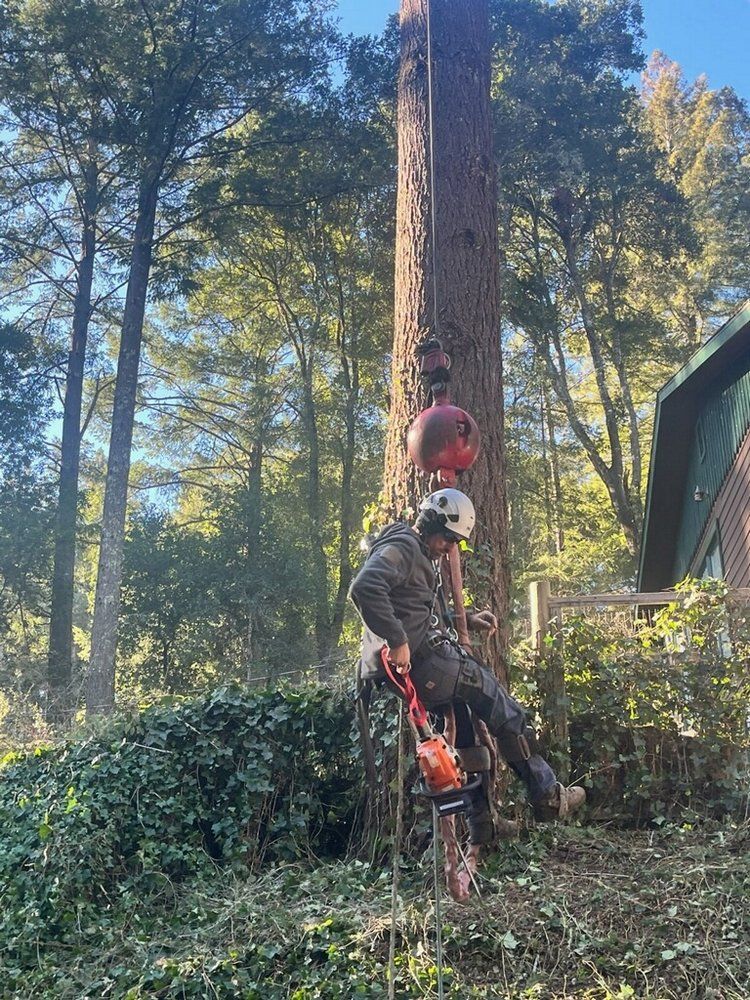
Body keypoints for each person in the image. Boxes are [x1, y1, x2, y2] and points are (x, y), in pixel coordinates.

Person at [349, 487, 585, 832]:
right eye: (448, 539)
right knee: (498, 700)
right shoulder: (402, 546)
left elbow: (414, 608)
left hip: (416, 666)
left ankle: (483, 823)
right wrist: (397, 639)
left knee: (464, 727)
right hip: (422, 663)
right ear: (430, 524)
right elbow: (365, 587)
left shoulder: (418, 553)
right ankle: (547, 794)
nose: (451, 548)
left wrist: (467, 618)